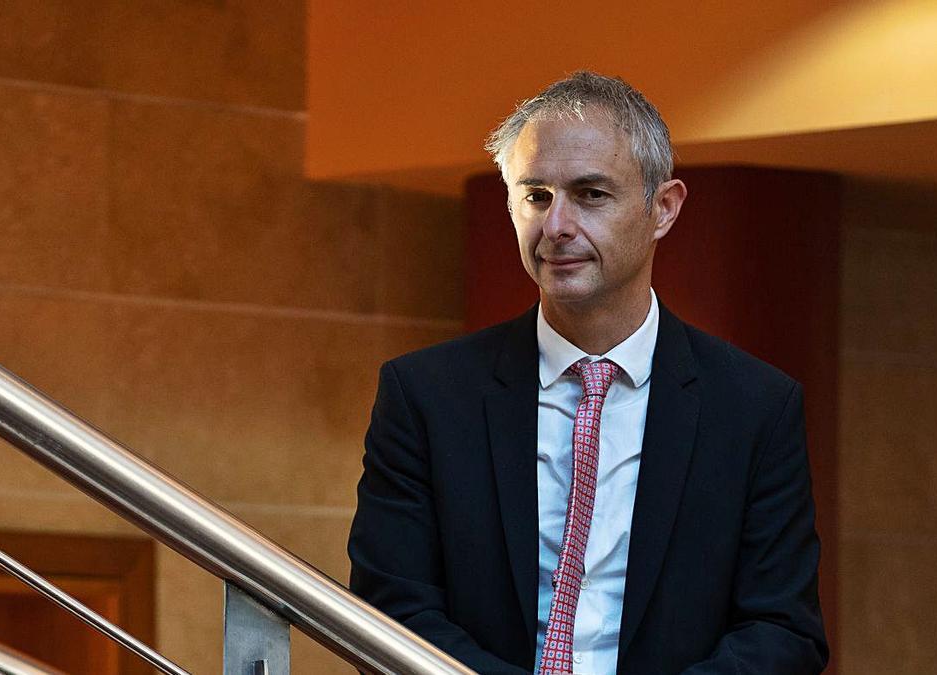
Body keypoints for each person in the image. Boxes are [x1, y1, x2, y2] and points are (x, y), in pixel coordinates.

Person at [348, 71, 828, 675]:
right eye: (536, 196)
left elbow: (782, 631)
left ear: (664, 208)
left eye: (591, 194)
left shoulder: (756, 407)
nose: (556, 227)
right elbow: (389, 612)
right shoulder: (425, 396)